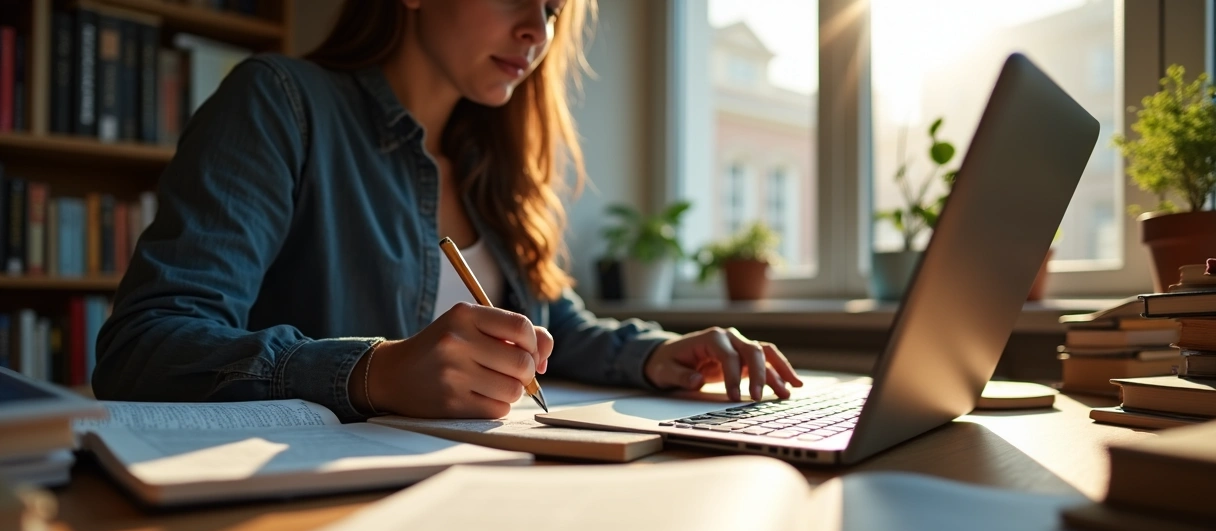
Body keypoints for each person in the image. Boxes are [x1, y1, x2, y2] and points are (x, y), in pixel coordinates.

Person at [94, 0, 804, 422]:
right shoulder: (282, 105)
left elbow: (553, 330)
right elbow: (144, 347)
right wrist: (372, 372)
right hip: (316, 512)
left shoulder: (495, 164)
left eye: (554, 9)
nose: (537, 28)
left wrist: (658, 355)